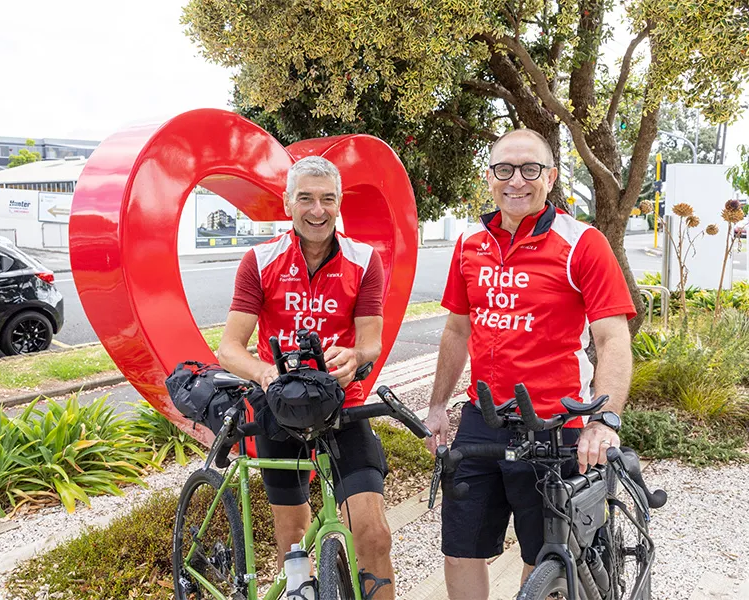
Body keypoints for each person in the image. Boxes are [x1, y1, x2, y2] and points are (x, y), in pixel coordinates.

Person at [424, 129, 636, 600]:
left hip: (556, 420)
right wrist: (438, 405)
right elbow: (458, 331)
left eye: (530, 169)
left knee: (544, 555)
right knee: (460, 548)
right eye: (504, 169)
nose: (516, 180)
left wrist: (602, 420)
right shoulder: (469, 243)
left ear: (551, 176)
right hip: (483, 419)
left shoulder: (583, 243)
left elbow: (613, 338)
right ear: (489, 177)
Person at [218, 156, 395, 599]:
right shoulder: (260, 260)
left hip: (343, 406)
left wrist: (355, 354)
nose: (317, 210)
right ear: (287, 203)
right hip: (279, 407)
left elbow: (371, 340)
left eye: (327, 199)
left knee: (373, 536)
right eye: (306, 199)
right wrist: (264, 372)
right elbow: (229, 349)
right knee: (293, 541)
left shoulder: (364, 260)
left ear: (339, 205)